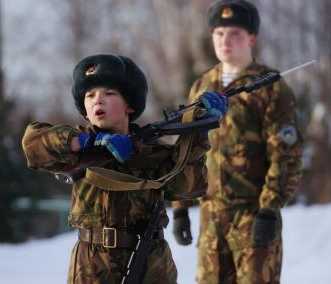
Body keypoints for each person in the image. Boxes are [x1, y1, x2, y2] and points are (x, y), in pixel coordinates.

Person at [21, 53, 228, 284]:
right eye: (89, 96)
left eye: (109, 93)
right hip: (94, 264)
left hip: (150, 260)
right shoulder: (78, 148)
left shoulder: (150, 150)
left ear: (129, 105)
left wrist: (198, 134)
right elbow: (33, 145)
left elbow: (188, 189)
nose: (97, 100)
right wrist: (88, 142)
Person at [172, 0, 303, 283]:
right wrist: (180, 208)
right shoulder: (202, 86)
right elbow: (187, 149)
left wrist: (269, 209)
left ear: (251, 38)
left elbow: (286, 155)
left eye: (234, 33)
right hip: (211, 220)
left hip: (253, 216)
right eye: (219, 34)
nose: (225, 41)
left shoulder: (270, 87)